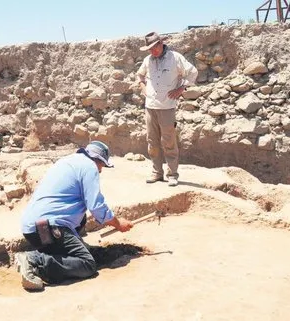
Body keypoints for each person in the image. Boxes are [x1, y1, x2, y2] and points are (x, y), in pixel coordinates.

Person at [16, 141, 134, 291]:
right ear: (98, 160)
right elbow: (96, 206)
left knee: (81, 218)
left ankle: (51, 253)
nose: (100, 171)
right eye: (102, 166)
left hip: (32, 229)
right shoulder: (89, 167)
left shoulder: (67, 161)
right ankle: (35, 262)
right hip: (48, 228)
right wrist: (118, 224)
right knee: (87, 264)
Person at [136, 31, 198, 187]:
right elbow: (140, 75)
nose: (152, 51)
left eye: (153, 48)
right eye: (149, 49)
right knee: (152, 141)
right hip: (150, 107)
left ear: (160, 44)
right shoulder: (148, 60)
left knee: (169, 141)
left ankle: (172, 174)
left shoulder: (175, 58)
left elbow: (192, 73)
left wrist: (181, 89)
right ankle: (157, 172)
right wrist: (142, 86)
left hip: (167, 107)